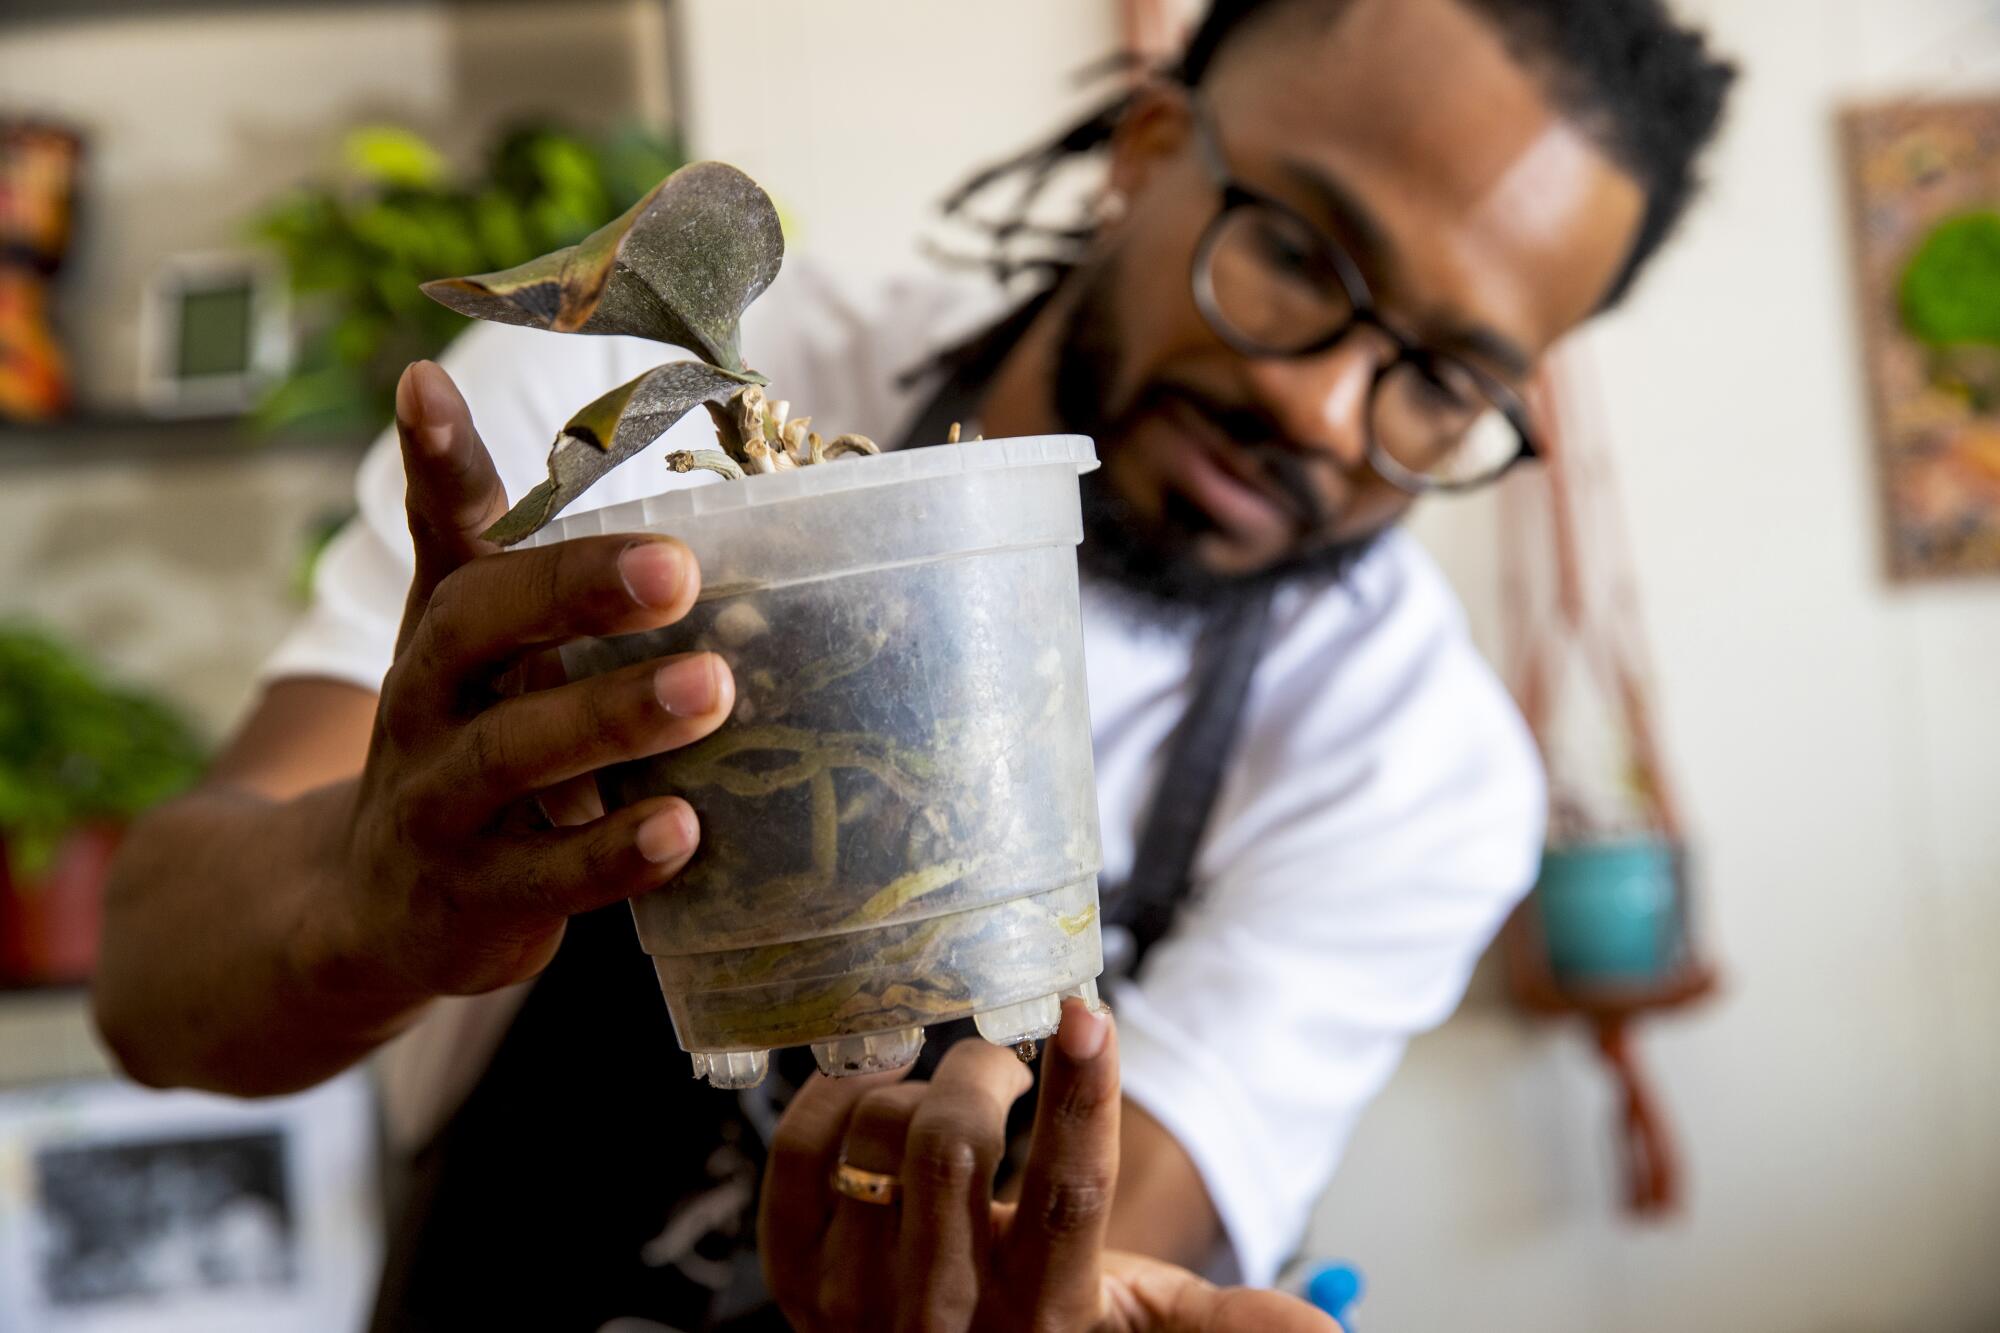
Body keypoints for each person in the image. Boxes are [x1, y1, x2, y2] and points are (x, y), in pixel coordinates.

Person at [92, 0, 1734, 1328]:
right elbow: (154, 984)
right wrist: (361, 901)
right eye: (1303, 255)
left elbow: (1074, 1244)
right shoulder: (628, 411)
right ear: (1149, 149)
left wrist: (1032, 1289)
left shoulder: (1409, 760)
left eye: (1441, 376)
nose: (1318, 407)